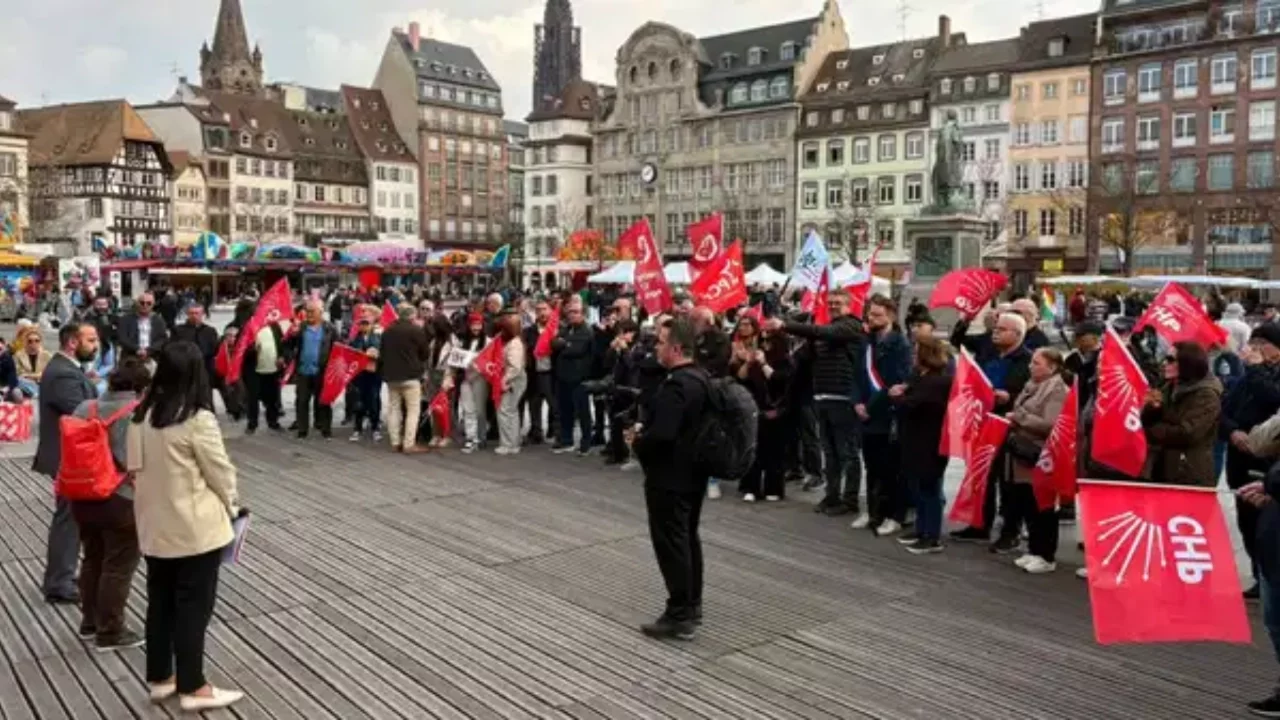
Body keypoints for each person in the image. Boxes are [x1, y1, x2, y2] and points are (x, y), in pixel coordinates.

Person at [128, 340, 242, 711]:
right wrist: (232, 505)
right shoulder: (196, 418)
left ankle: (161, 677)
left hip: (153, 525)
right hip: (195, 528)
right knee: (194, 607)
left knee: (160, 603)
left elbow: (134, 470)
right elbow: (220, 472)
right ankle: (194, 685)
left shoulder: (141, 415)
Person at [628, 317, 709, 640]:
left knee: (672, 544)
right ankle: (691, 604)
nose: (656, 349)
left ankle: (680, 613)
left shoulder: (677, 385)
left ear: (676, 348)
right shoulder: (701, 378)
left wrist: (638, 442)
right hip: (693, 473)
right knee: (687, 539)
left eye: (660, 343)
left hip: (670, 476)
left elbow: (663, 434)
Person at [70, 357, 150, 651]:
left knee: (92, 558)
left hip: (82, 496)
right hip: (120, 498)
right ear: (141, 387)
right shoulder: (138, 413)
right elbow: (137, 462)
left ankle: (89, 622)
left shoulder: (84, 408)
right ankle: (110, 631)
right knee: (118, 565)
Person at [764, 288, 865, 516]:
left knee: (847, 452)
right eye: (830, 303)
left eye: (838, 302)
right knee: (829, 453)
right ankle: (832, 496)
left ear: (849, 305)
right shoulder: (822, 334)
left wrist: (785, 325)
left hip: (843, 398)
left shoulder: (851, 326)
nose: (833, 306)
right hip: (822, 397)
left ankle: (850, 500)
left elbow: (823, 332)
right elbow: (801, 359)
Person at [34, 321, 100, 604]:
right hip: (68, 458)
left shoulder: (66, 369)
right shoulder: (63, 373)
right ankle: (60, 582)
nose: (96, 345)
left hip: (69, 456)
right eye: (91, 340)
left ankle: (62, 577)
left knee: (71, 518)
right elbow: (84, 414)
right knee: (68, 520)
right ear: (72, 342)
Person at [1004, 348, 1070, 574]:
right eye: (1032, 362)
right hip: (1023, 454)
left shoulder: (1057, 390)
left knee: (1043, 507)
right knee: (1028, 503)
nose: (1031, 366)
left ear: (1052, 367)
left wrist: (1020, 417)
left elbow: (1051, 425)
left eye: (1037, 363)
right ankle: (1034, 549)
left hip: (1042, 456)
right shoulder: (1031, 385)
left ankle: (1046, 555)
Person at [856, 296, 912, 534]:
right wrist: (856, 402)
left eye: (877, 315)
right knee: (871, 466)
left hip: (887, 413)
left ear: (890, 316)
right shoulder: (866, 342)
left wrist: (869, 406)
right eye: (870, 314)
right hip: (865, 413)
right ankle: (873, 512)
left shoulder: (901, 344)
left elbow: (896, 381)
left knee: (890, 468)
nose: (872, 318)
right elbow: (857, 374)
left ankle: (893, 515)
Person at [891, 336, 953, 554]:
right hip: (916, 439)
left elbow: (911, 405)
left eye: (916, 352)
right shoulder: (921, 377)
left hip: (930, 442)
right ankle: (921, 529)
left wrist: (896, 397)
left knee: (929, 490)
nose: (913, 355)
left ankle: (932, 536)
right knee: (918, 488)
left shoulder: (937, 381)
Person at [1143, 341, 1222, 486]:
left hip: (1189, 472)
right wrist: (1152, 408)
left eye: (1171, 360)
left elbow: (1187, 433)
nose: (1164, 363)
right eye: (1165, 358)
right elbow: (1151, 419)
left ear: (1187, 363)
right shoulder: (1169, 385)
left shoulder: (1206, 394)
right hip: (1164, 467)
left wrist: (1150, 432)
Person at [732, 320, 792, 502]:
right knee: (754, 447)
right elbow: (741, 377)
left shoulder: (784, 360)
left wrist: (764, 363)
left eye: (769, 341)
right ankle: (751, 486)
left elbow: (778, 379)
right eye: (763, 340)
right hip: (755, 405)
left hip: (776, 408)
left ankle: (773, 488)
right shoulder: (754, 355)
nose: (765, 344)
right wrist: (748, 362)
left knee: (774, 450)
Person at [380, 304, 431, 453]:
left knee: (393, 408)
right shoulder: (416, 330)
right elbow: (425, 353)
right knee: (413, 410)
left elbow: (382, 353)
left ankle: (395, 442)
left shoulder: (387, 331)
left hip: (391, 376)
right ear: (411, 316)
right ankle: (409, 443)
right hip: (411, 376)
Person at [287, 300, 337, 439]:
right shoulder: (300, 328)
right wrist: (291, 338)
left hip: (322, 371)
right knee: (302, 401)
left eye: (312, 311)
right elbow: (288, 345)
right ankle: (302, 430)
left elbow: (338, 347)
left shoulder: (330, 329)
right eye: (307, 311)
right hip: (303, 371)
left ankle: (325, 429)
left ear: (321, 312)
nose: (309, 314)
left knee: (324, 402)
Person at [552, 301, 594, 456]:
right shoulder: (565, 329)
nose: (572, 315)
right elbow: (554, 343)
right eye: (569, 312)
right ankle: (566, 440)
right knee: (565, 410)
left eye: (575, 312)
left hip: (578, 377)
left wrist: (564, 345)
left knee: (582, 412)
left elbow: (577, 349)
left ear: (583, 314)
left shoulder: (586, 330)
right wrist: (564, 344)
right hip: (563, 376)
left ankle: (586, 443)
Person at [348, 312, 383, 443]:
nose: (364, 326)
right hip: (360, 375)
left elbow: (383, 354)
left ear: (372, 324)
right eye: (362, 323)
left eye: (366, 323)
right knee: (359, 402)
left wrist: (376, 355)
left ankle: (375, 428)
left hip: (374, 375)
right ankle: (357, 429)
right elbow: (351, 355)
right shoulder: (354, 339)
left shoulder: (378, 338)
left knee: (374, 401)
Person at [496, 311, 527, 455]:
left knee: (505, 411)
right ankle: (513, 443)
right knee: (511, 411)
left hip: (512, 380)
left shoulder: (514, 344)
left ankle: (507, 444)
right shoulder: (515, 341)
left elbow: (515, 367)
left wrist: (504, 380)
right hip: (515, 379)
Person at [116, 292, 169, 362]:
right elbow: (122, 338)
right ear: (137, 303)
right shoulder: (125, 319)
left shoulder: (159, 320)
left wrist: (148, 351)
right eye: (142, 303)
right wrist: (137, 349)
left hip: (152, 356)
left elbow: (162, 339)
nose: (145, 305)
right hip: (130, 356)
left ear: (153, 305)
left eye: (148, 303)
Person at [15, 326, 51, 397]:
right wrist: (37, 376)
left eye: (37, 341)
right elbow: (19, 374)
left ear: (40, 342)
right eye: (30, 341)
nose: (33, 343)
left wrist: (29, 375)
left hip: (42, 384)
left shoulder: (47, 355)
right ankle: (36, 393)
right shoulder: (19, 355)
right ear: (25, 342)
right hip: (25, 384)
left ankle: (35, 393)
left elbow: (47, 374)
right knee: (18, 380)